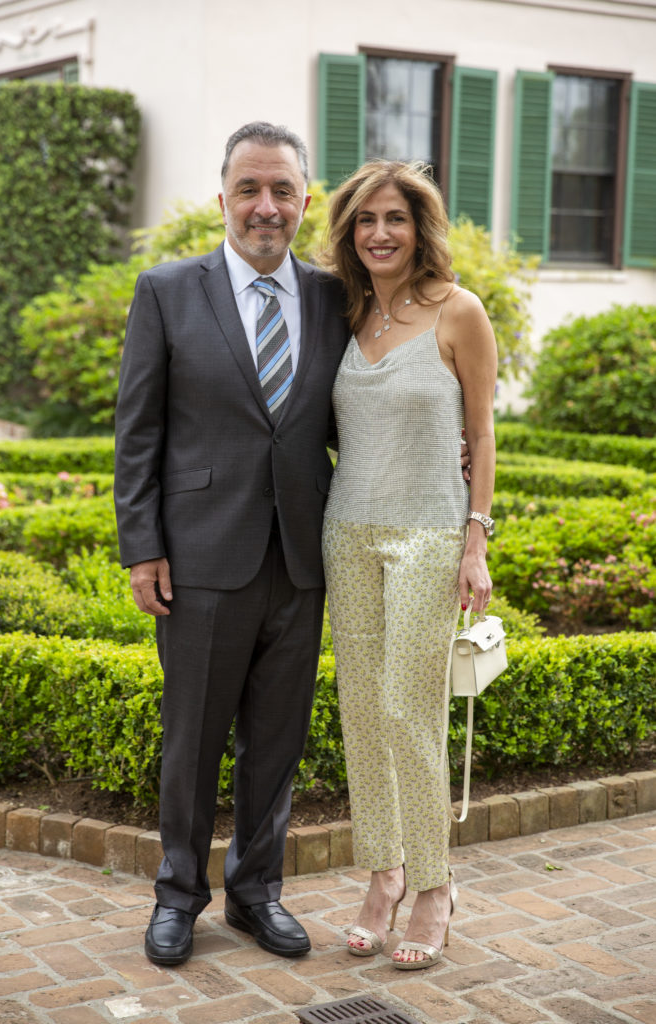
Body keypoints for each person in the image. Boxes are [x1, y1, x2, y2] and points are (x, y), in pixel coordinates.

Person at [114, 121, 349, 966]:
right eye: (249, 188)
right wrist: (142, 546)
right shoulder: (167, 290)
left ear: (305, 201)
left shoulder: (334, 298)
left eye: (282, 189)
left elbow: (354, 419)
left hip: (302, 560)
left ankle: (257, 894)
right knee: (193, 741)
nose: (265, 206)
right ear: (222, 199)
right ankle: (177, 895)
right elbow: (137, 431)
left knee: (276, 745)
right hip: (201, 560)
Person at [320, 160, 497, 970]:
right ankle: (382, 874)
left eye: (394, 217)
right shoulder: (345, 311)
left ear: (419, 227)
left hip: (429, 532)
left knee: (406, 709)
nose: (379, 233)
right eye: (365, 219)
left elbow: (482, 432)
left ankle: (434, 885)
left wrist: (475, 540)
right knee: (360, 710)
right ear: (349, 232)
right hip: (346, 530)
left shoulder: (459, 311)